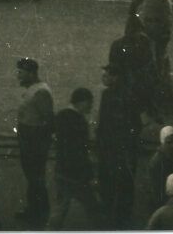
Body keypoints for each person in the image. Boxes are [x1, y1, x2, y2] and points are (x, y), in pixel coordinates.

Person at [96, 66, 142, 229]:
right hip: (126, 149)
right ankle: (122, 218)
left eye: (105, 75)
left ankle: (107, 214)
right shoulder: (130, 93)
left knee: (108, 182)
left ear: (114, 77)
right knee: (125, 185)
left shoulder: (108, 95)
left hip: (110, 148)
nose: (103, 78)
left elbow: (103, 123)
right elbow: (136, 124)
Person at [49, 88, 100, 230]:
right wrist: (89, 173)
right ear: (81, 102)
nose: (91, 106)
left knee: (61, 207)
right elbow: (80, 151)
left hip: (62, 169)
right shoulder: (79, 121)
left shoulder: (61, 115)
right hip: (76, 174)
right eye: (89, 103)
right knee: (92, 206)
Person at [15, 57, 54, 226]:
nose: (18, 76)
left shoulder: (41, 92)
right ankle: (33, 210)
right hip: (29, 141)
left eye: (21, 73)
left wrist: (38, 142)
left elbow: (48, 120)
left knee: (36, 178)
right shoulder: (32, 88)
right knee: (32, 178)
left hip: (35, 143)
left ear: (31, 74)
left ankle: (41, 213)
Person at [131, 0, 173, 89]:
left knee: (145, 52)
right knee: (161, 54)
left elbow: (134, 2)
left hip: (145, 27)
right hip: (159, 28)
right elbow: (169, 14)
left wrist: (134, 16)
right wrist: (168, 29)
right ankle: (160, 79)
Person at [146, 126, 173, 211]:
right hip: (160, 204)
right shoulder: (157, 162)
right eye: (169, 142)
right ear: (162, 142)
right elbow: (156, 190)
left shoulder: (171, 157)